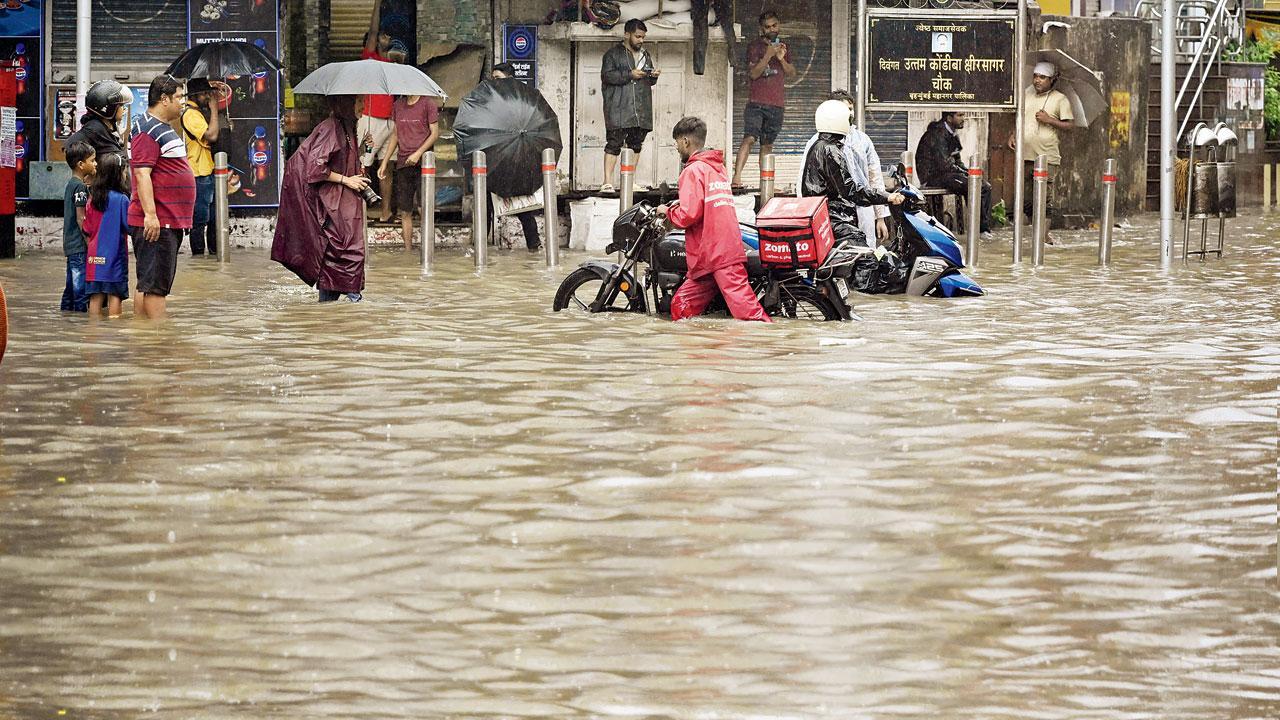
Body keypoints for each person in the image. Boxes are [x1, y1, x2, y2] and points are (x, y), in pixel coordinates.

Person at [657, 116, 770, 323]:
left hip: (717, 254)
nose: (677, 148)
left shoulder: (692, 171)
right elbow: (705, 205)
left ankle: (770, 344)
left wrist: (667, 212)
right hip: (714, 254)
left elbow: (689, 214)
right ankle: (700, 351)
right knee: (682, 305)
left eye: (676, 143)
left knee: (751, 317)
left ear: (685, 141)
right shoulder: (717, 169)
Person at [272, 95, 370, 303]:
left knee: (334, 265)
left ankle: (327, 316)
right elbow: (315, 169)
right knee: (348, 254)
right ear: (346, 104)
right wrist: (347, 180)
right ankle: (357, 306)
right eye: (359, 101)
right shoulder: (330, 128)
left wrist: (363, 148)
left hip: (342, 206)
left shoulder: (347, 128)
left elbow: (343, 160)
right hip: (331, 207)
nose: (363, 106)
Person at [128, 74, 196, 320]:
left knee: (147, 283)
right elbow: (142, 174)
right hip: (159, 222)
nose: (182, 103)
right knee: (155, 288)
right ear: (164, 99)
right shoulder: (147, 130)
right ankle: (157, 343)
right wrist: (151, 215)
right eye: (179, 98)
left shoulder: (158, 128)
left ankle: (142, 337)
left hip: (166, 220)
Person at [800, 100, 903, 248]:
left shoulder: (818, 145)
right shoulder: (830, 150)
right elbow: (851, 189)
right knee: (866, 259)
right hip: (832, 218)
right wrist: (887, 197)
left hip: (825, 216)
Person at [1008, 61, 1073, 241]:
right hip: (1025, 155)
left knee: (1044, 198)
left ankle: (1043, 236)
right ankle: (1035, 232)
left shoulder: (1060, 99)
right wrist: (1013, 134)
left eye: (1042, 77)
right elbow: (1020, 118)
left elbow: (1069, 125)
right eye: (1035, 76)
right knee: (1027, 199)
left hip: (1047, 157)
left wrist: (1049, 120)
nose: (1037, 80)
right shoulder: (1026, 94)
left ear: (1051, 80)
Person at [731, 11, 795, 189]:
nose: (772, 29)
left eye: (774, 25)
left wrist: (781, 59)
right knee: (749, 139)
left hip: (776, 105)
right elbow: (753, 73)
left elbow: (791, 73)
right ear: (762, 28)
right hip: (756, 103)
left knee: (767, 145)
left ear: (779, 25)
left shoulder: (784, 46)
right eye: (767, 27)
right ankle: (736, 178)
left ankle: (765, 184)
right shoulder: (755, 47)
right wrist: (768, 55)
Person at [485, 62, 543, 252]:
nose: (495, 82)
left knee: (523, 208)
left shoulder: (523, 100)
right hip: (495, 158)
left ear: (510, 79)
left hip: (517, 157)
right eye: (492, 79)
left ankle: (534, 247)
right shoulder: (489, 101)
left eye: (498, 78)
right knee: (487, 205)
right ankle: (480, 247)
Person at [378, 80, 440, 250]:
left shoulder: (428, 104)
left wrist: (419, 153)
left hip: (424, 162)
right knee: (405, 210)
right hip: (403, 161)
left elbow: (434, 134)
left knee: (423, 207)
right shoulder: (398, 105)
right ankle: (408, 252)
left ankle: (428, 250)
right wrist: (384, 162)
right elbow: (395, 135)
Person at [358, 1, 405, 222]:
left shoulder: (393, 63)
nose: (384, 39)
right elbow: (373, 29)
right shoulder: (369, 59)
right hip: (370, 122)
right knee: (363, 166)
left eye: (387, 37)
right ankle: (359, 212)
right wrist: (377, 4)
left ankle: (386, 212)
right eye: (381, 36)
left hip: (390, 122)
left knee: (387, 168)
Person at [600, 19, 659, 192]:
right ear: (627, 34)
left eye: (643, 37)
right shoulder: (612, 55)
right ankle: (607, 182)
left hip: (640, 109)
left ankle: (630, 181)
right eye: (638, 36)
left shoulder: (645, 55)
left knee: (636, 144)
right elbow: (607, 77)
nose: (641, 40)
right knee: (614, 143)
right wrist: (629, 74)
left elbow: (649, 81)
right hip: (619, 107)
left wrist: (653, 75)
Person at [916, 110, 993, 240]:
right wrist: (965, 174)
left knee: (984, 186)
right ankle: (979, 230)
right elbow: (944, 164)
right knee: (971, 186)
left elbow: (957, 161)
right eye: (960, 115)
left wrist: (968, 172)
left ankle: (983, 228)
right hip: (933, 177)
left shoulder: (952, 134)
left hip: (947, 174)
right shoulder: (938, 134)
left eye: (963, 115)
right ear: (949, 118)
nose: (963, 118)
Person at [179, 78, 229, 256]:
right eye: (206, 94)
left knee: (215, 219)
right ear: (197, 95)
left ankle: (213, 255)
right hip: (199, 174)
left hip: (209, 171)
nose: (208, 97)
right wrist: (214, 108)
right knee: (200, 220)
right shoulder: (190, 114)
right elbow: (211, 135)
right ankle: (199, 257)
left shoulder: (199, 112)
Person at [84, 152, 131, 318]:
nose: (126, 175)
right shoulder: (122, 200)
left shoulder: (92, 200)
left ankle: (93, 333)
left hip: (94, 259)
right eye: (125, 171)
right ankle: (114, 333)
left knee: (95, 298)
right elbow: (129, 227)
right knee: (115, 297)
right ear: (118, 175)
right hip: (114, 259)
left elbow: (87, 229)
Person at [60, 141, 96, 313]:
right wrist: (90, 242)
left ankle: (66, 317)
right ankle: (81, 322)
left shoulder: (70, 184)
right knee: (80, 289)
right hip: (79, 246)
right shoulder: (80, 187)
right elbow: (81, 218)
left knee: (70, 288)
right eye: (92, 160)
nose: (95, 164)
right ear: (81, 165)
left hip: (70, 244)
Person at [65, 80, 131, 169]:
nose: (124, 109)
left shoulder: (107, 128)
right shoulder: (94, 128)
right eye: (121, 105)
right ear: (108, 109)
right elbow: (70, 145)